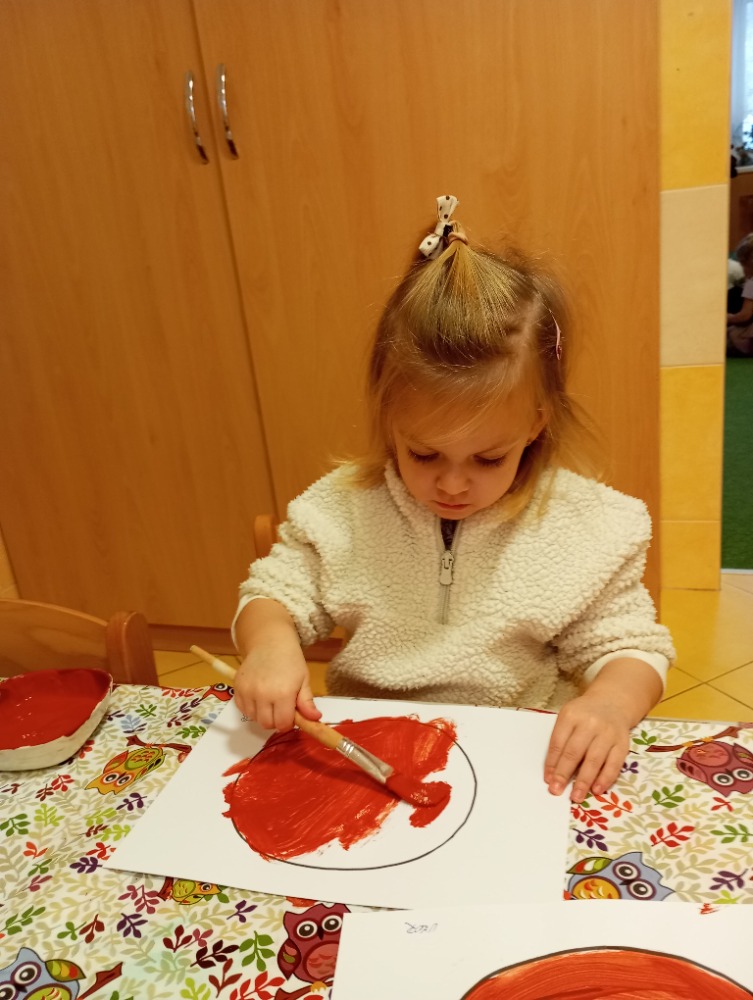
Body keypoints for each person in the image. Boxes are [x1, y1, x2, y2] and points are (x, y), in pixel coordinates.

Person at [232, 195, 674, 805]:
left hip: (518, 757)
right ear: (390, 421)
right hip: (366, 752)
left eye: (488, 459)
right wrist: (270, 644)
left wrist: (612, 702)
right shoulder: (342, 509)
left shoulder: (586, 526)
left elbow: (630, 647)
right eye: (424, 454)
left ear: (537, 422)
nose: (453, 485)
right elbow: (273, 594)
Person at [727, 233, 753, 356]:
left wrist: (728, 318)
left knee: (731, 334)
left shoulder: (751, 283)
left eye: (742, 265)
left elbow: (745, 316)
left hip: (748, 333)